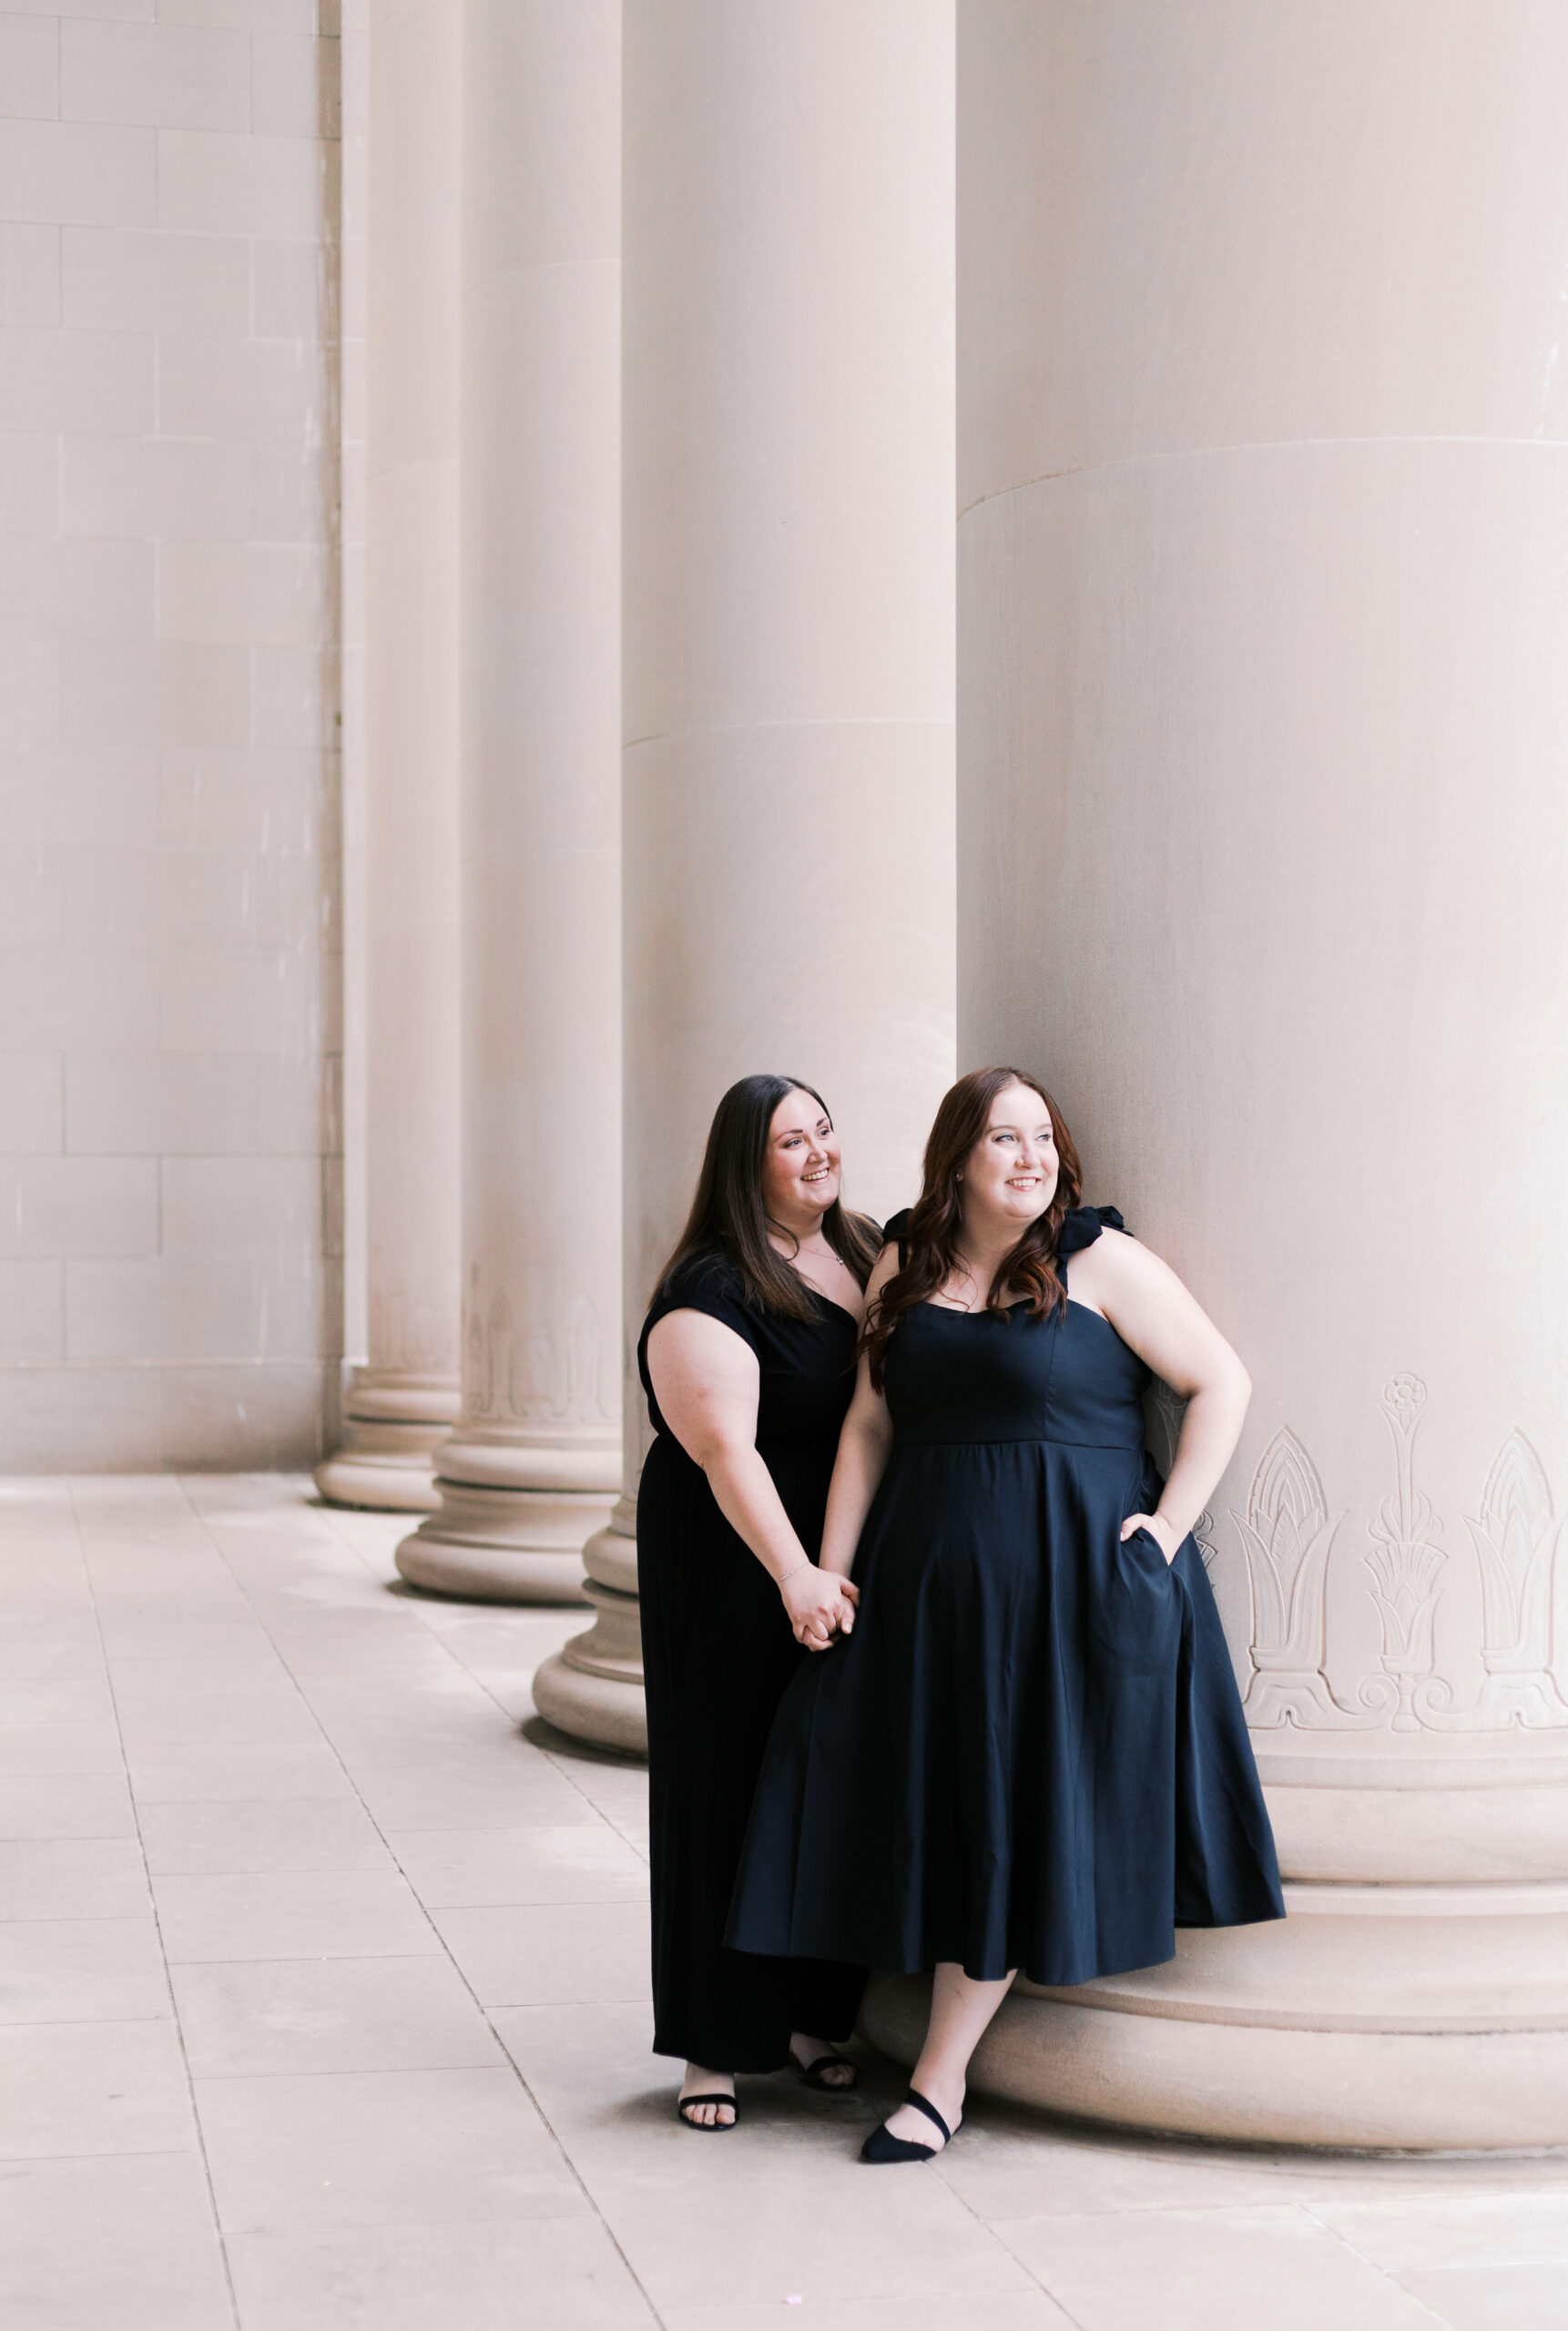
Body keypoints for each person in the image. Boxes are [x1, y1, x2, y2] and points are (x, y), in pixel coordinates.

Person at [727, 1066, 1284, 2163]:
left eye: (1042, 1138)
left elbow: (1223, 1383)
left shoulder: (1104, 1263)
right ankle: (789, 2017)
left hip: (1068, 1597)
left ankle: (939, 2082)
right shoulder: (904, 1263)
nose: (1028, 1157)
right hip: (927, 1591)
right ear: (958, 1159)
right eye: (1002, 1138)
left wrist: (1165, 1534)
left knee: (1009, 1820)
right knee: (880, 1789)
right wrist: (831, 1572)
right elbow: (869, 1429)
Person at [638, 1074, 880, 2130]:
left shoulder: (865, 1249)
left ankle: (810, 2016)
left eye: (825, 1130)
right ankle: (713, 2045)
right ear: (748, 1163)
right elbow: (724, 1449)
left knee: (828, 1780)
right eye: (793, 1140)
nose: (819, 1151)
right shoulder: (711, 1284)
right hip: (739, 1558)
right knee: (728, 1783)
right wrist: (795, 1574)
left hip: (836, 1549)